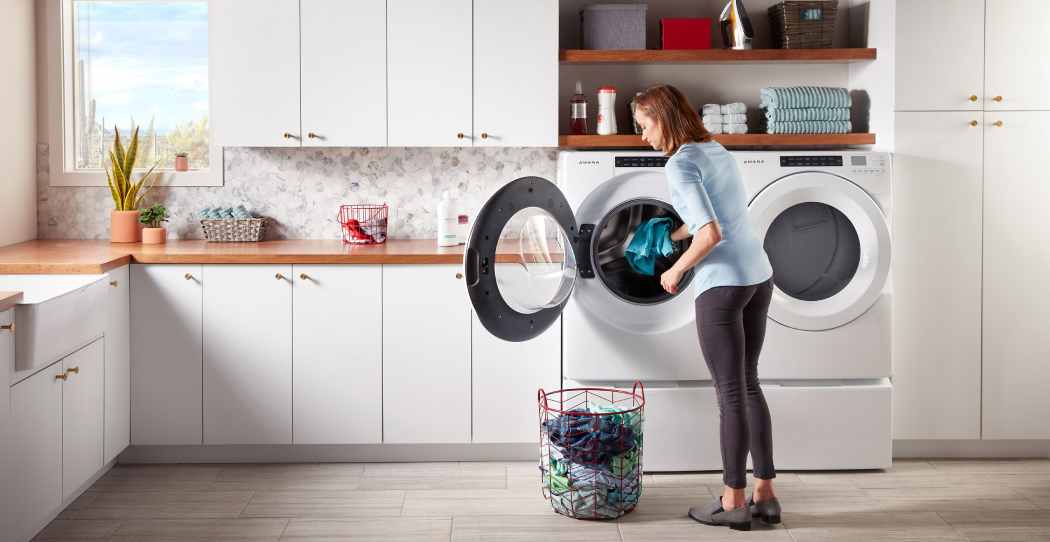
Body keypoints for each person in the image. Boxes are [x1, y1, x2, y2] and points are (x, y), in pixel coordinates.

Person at [632, 85, 780, 532]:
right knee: (749, 386)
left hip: (723, 286)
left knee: (730, 394)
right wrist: (673, 234)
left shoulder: (678, 163)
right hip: (758, 275)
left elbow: (711, 234)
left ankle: (732, 500)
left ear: (663, 118)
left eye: (645, 126)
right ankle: (765, 495)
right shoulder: (715, 149)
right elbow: (721, 217)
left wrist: (674, 270)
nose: (643, 137)